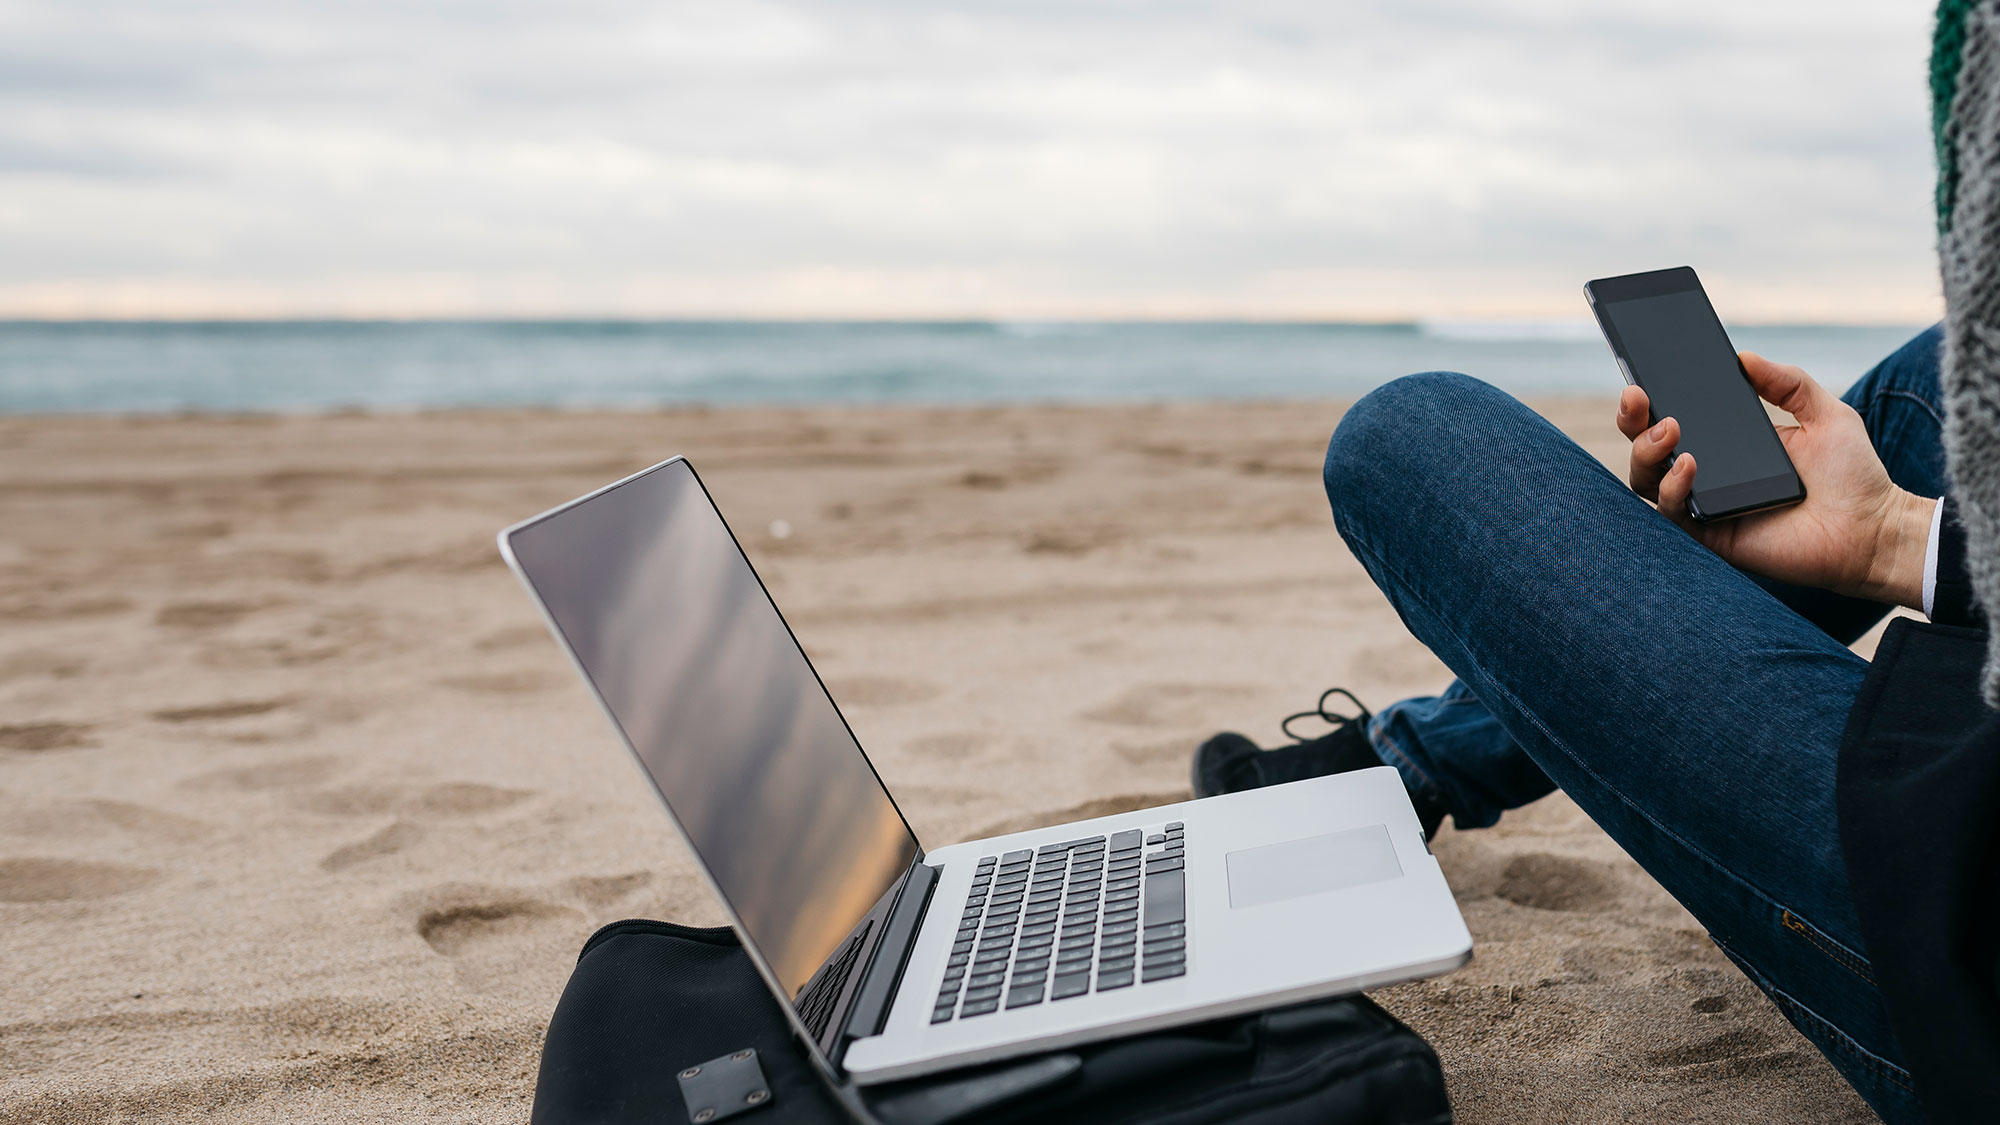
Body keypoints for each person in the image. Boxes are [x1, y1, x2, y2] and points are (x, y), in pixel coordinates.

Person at [1190, 5, 2000, 1121]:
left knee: (1410, 436)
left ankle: (1408, 758)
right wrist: (1891, 541)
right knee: (1931, 378)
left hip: (1972, 929)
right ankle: (1414, 757)